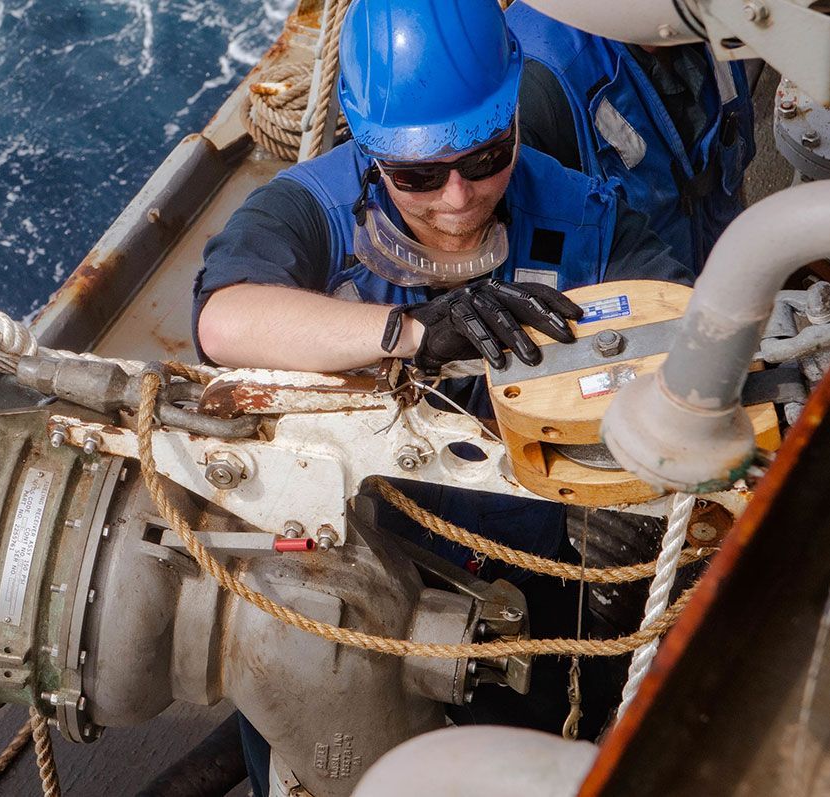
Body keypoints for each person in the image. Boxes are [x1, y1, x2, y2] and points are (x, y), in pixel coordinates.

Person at [192, 0, 695, 793]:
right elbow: (224, 319)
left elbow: (687, 344)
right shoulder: (312, 212)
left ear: (514, 125)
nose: (458, 198)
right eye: (419, 176)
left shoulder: (588, 223)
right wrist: (412, 331)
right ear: (370, 151)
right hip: (364, 560)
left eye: (487, 157)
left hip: (539, 572)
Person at [507, 2, 756, 273]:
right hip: (650, 302)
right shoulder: (537, 88)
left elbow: (723, 164)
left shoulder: (716, 20)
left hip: (730, 271)